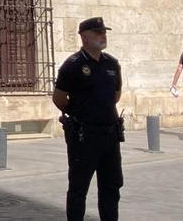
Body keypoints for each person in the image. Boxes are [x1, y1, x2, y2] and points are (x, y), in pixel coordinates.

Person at [53, 17, 123, 221]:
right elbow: (59, 98)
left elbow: (116, 95)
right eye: (98, 32)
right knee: (79, 187)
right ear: (84, 37)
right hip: (84, 136)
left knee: (111, 186)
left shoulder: (112, 63)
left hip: (109, 134)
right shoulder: (73, 65)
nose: (103, 36)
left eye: (104, 32)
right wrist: (79, 113)